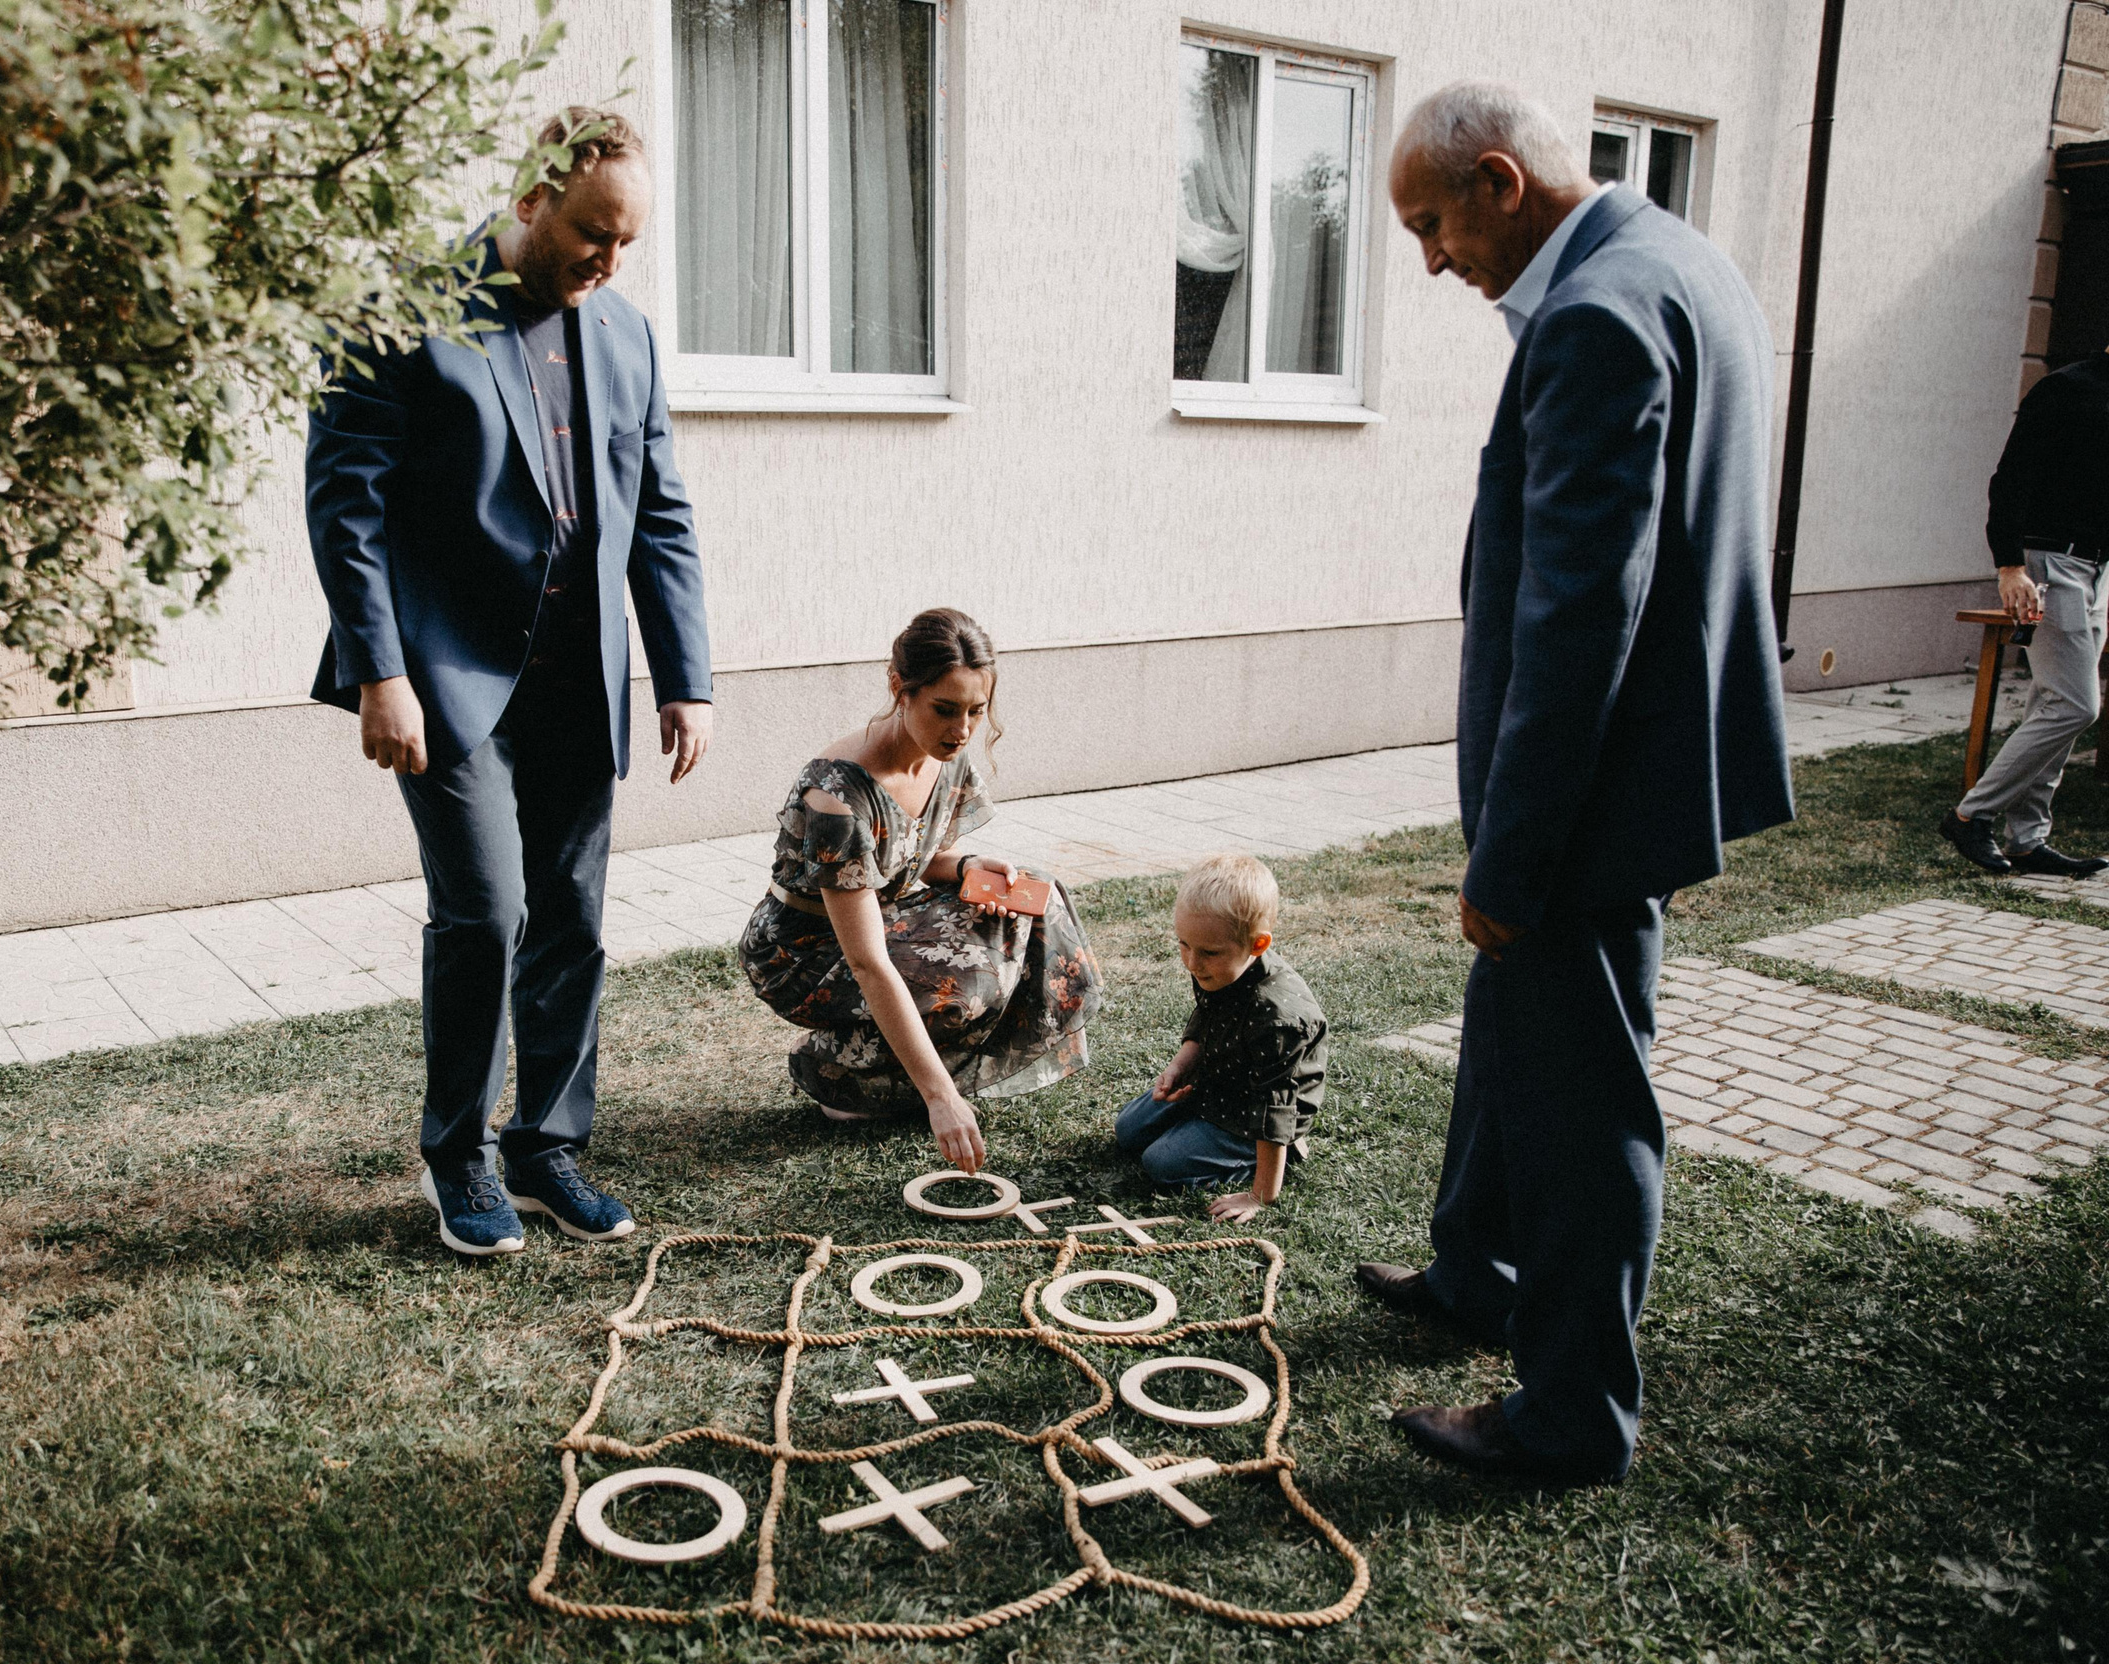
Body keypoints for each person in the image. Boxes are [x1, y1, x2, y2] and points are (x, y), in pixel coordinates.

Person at [1364, 83, 1793, 1485]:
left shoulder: (1599, 312)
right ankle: (1474, 1269)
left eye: (1432, 224)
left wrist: (1513, 853)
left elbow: (1577, 615)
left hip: (1589, 797)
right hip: (1651, 763)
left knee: (1579, 1098)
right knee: (1514, 1037)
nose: (1431, 259)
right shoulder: (1681, 260)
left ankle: (1568, 1410)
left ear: (1500, 181)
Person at [305, 109, 714, 1258]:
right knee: (487, 912)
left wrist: (685, 673)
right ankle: (460, 1161)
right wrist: (378, 671)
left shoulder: (626, 335)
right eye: (592, 233)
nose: (607, 262)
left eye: (627, 242)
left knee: (572, 919)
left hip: (580, 675)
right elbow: (346, 508)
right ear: (533, 198)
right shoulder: (405, 310)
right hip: (443, 678)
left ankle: (547, 1148)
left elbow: (661, 512)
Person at [738, 609, 1104, 1171]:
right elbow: (866, 962)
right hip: (805, 951)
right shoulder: (835, 797)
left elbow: (916, 859)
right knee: (969, 984)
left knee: (1033, 901)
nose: (961, 730)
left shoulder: (941, 754)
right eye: (945, 709)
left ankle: (882, 1066)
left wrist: (969, 868)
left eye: (976, 712)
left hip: (887, 908)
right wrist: (941, 1100)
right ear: (898, 688)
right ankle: (835, 1068)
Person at [1937, 347, 2109, 879]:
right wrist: (2010, 565)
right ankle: (1971, 814)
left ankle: (2028, 840)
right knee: (2076, 705)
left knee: (2050, 703)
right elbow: (2009, 478)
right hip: (2049, 562)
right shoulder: (2066, 389)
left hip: (2097, 569)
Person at [1116, 854, 1329, 1223]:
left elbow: (1274, 1108)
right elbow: (1206, 1017)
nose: (1192, 963)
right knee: (1127, 1130)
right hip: (1219, 1080)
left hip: (1256, 1110)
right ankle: (1199, 1127)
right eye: (1183, 944)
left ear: (1257, 945)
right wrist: (1181, 1066)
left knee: (1161, 1164)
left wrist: (1261, 1195)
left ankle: (1277, 1155)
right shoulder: (1220, 963)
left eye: (1207, 953)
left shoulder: (1278, 1019)